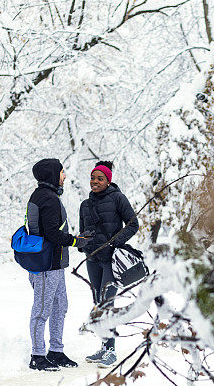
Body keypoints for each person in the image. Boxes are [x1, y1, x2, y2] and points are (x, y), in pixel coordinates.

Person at [25, 158, 89, 371]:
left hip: (54, 264)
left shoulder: (43, 196)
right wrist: (75, 241)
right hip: (46, 265)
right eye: (62, 172)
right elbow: (52, 233)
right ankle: (37, 355)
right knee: (42, 309)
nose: (65, 176)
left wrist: (74, 240)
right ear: (53, 174)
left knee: (60, 306)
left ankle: (56, 351)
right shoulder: (48, 198)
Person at [79, 161, 139, 367]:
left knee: (107, 301)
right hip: (93, 259)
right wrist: (82, 244)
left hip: (111, 260)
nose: (95, 181)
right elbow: (82, 231)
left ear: (108, 181)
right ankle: (104, 346)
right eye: (93, 178)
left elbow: (133, 224)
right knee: (98, 301)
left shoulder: (118, 198)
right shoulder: (84, 205)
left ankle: (111, 351)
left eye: (100, 179)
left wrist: (115, 242)